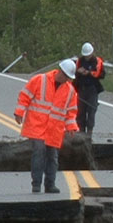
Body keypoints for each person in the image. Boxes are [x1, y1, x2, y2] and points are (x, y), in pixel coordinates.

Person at [14, 58, 79, 193]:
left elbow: (71, 111)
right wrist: (19, 112)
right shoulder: (40, 80)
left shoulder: (70, 91)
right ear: (60, 72)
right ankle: (36, 184)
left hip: (54, 130)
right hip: (37, 125)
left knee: (53, 157)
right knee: (39, 151)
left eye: (69, 78)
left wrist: (71, 126)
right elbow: (25, 96)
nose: (67, 80)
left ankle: (50, 184)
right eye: (66, 77)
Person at [74, 42, 106, 136]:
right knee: (80, 112)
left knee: (91, 112)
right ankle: (81, 132)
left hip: (92, 90)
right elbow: (74, 73)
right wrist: (78, 72)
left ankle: (89, 133)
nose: (87, 57)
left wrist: (88, 73)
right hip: (81, 89)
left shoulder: (97, 61)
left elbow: (100, 73)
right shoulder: (79, 61)